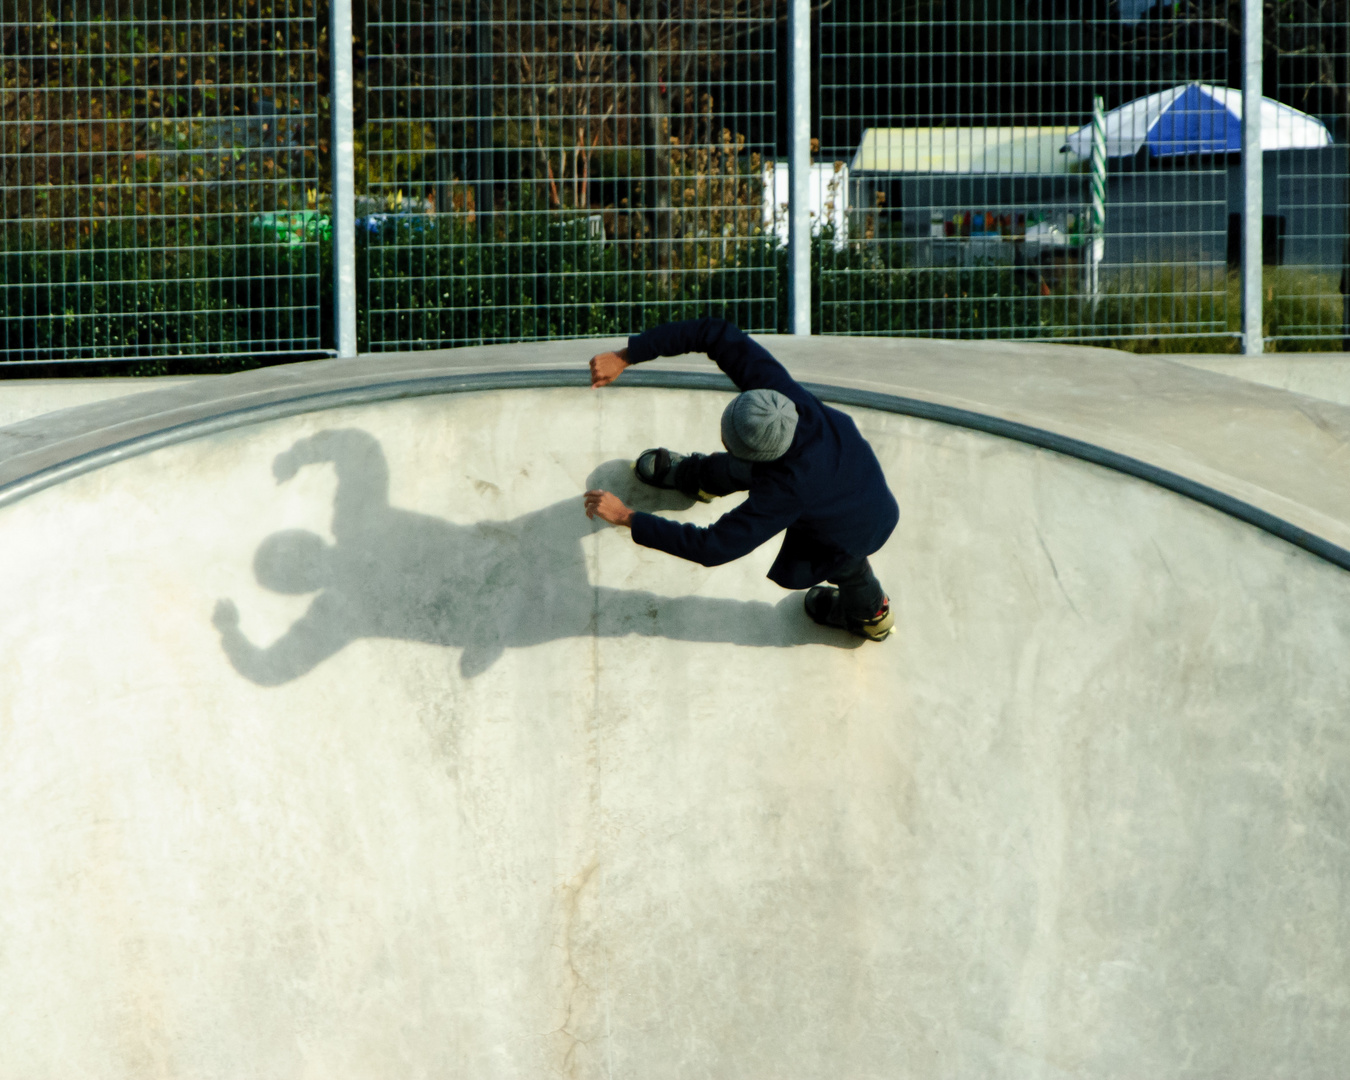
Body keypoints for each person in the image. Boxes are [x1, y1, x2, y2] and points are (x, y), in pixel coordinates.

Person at [583, 317, 899, 641]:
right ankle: (697, 479)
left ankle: (871, 617)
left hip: (855, 527)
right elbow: (714, 332)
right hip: (848, 469)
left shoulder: (785, 490)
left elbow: (713, 548)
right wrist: (626, 355)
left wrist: (628, 517)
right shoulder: (778, 397)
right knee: (740, 467)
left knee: (848, 567)